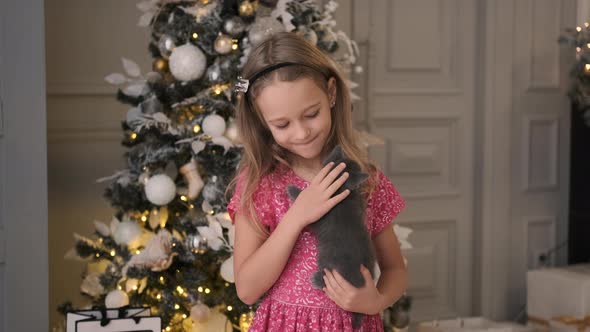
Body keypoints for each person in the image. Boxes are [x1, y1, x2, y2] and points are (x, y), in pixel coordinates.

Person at [227, 32, 407, 332]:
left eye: (311, 114)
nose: (301, 133)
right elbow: (247, 290)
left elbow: (395, 269)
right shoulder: (261, 185)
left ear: (332, 94)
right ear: (261, 121)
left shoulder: (366, 181)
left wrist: (376, 302)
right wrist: (297, 216)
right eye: (282, 124)